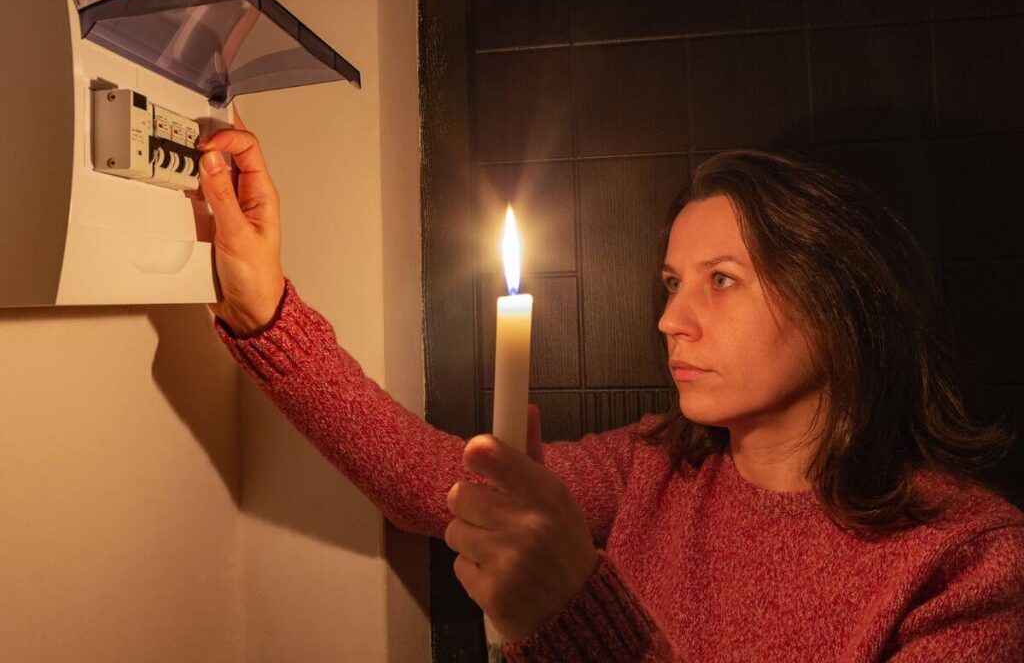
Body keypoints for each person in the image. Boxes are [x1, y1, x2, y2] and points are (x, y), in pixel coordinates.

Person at [194, 124, 1024, 662]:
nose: (670, 319)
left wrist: (574, 615)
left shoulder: (969, 563)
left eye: (722, 280)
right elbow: (430, 483)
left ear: (840, 301)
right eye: (670, 282)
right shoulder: (652, 467)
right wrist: (266, 311)